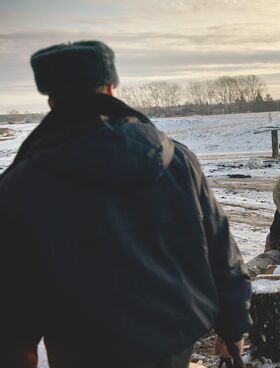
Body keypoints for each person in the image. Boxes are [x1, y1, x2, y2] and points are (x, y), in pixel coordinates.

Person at [0, 41, 251, 368]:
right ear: (110, 88)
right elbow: (222, 250)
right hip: (175, 344)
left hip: (84, 351)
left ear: (50, 99)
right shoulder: (178, 161)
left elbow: (12, 304)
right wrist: (233, 327)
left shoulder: (19, 187)